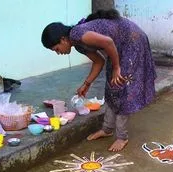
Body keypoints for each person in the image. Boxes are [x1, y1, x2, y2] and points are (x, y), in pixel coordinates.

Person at [41, 9, 156, 152]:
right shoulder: (77, 44)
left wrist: (117, 67)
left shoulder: (77, 34)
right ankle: (107, 129)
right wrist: (86, 84)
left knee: (122, 88)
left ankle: (122, 137)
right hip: (118, 46)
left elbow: (108, 42)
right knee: (111, 86)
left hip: (132, 41)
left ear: (63, 39)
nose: (59, 53)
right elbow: (99, 62)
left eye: (56, 49)